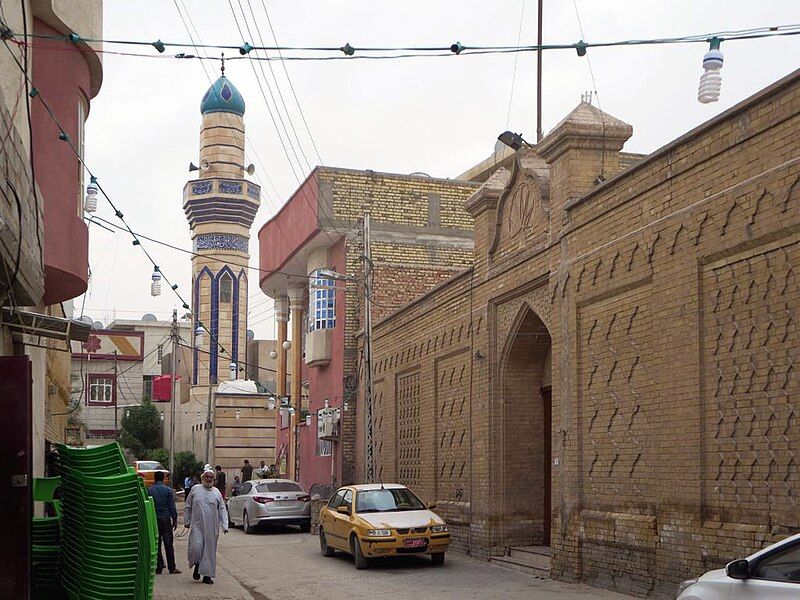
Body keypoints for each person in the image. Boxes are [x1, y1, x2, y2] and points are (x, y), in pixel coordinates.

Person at [184, 465, 228, 585]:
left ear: (214, 479)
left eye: (211, 477)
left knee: (209, 551)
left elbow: (222, 509)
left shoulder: (217, 492)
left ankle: (207, 576)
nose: (209, 479)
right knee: (196, 547)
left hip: (211, 527)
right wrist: (187, 521)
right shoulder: (195, 489)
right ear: (203, 477)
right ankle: (197, 566)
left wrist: (225, 524)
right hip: (197, 525)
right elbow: (188, 506)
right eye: (207, 477)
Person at [148, 471, 181, 575]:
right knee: (168, 544)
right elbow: (172, 506)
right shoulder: (168, 490)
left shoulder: (149, 490)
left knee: (157, 544)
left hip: (154, 520)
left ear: (154, 478)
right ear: (163, 479)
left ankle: (158, 567)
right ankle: (172, 568)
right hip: (166, 520)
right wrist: (174, 520)